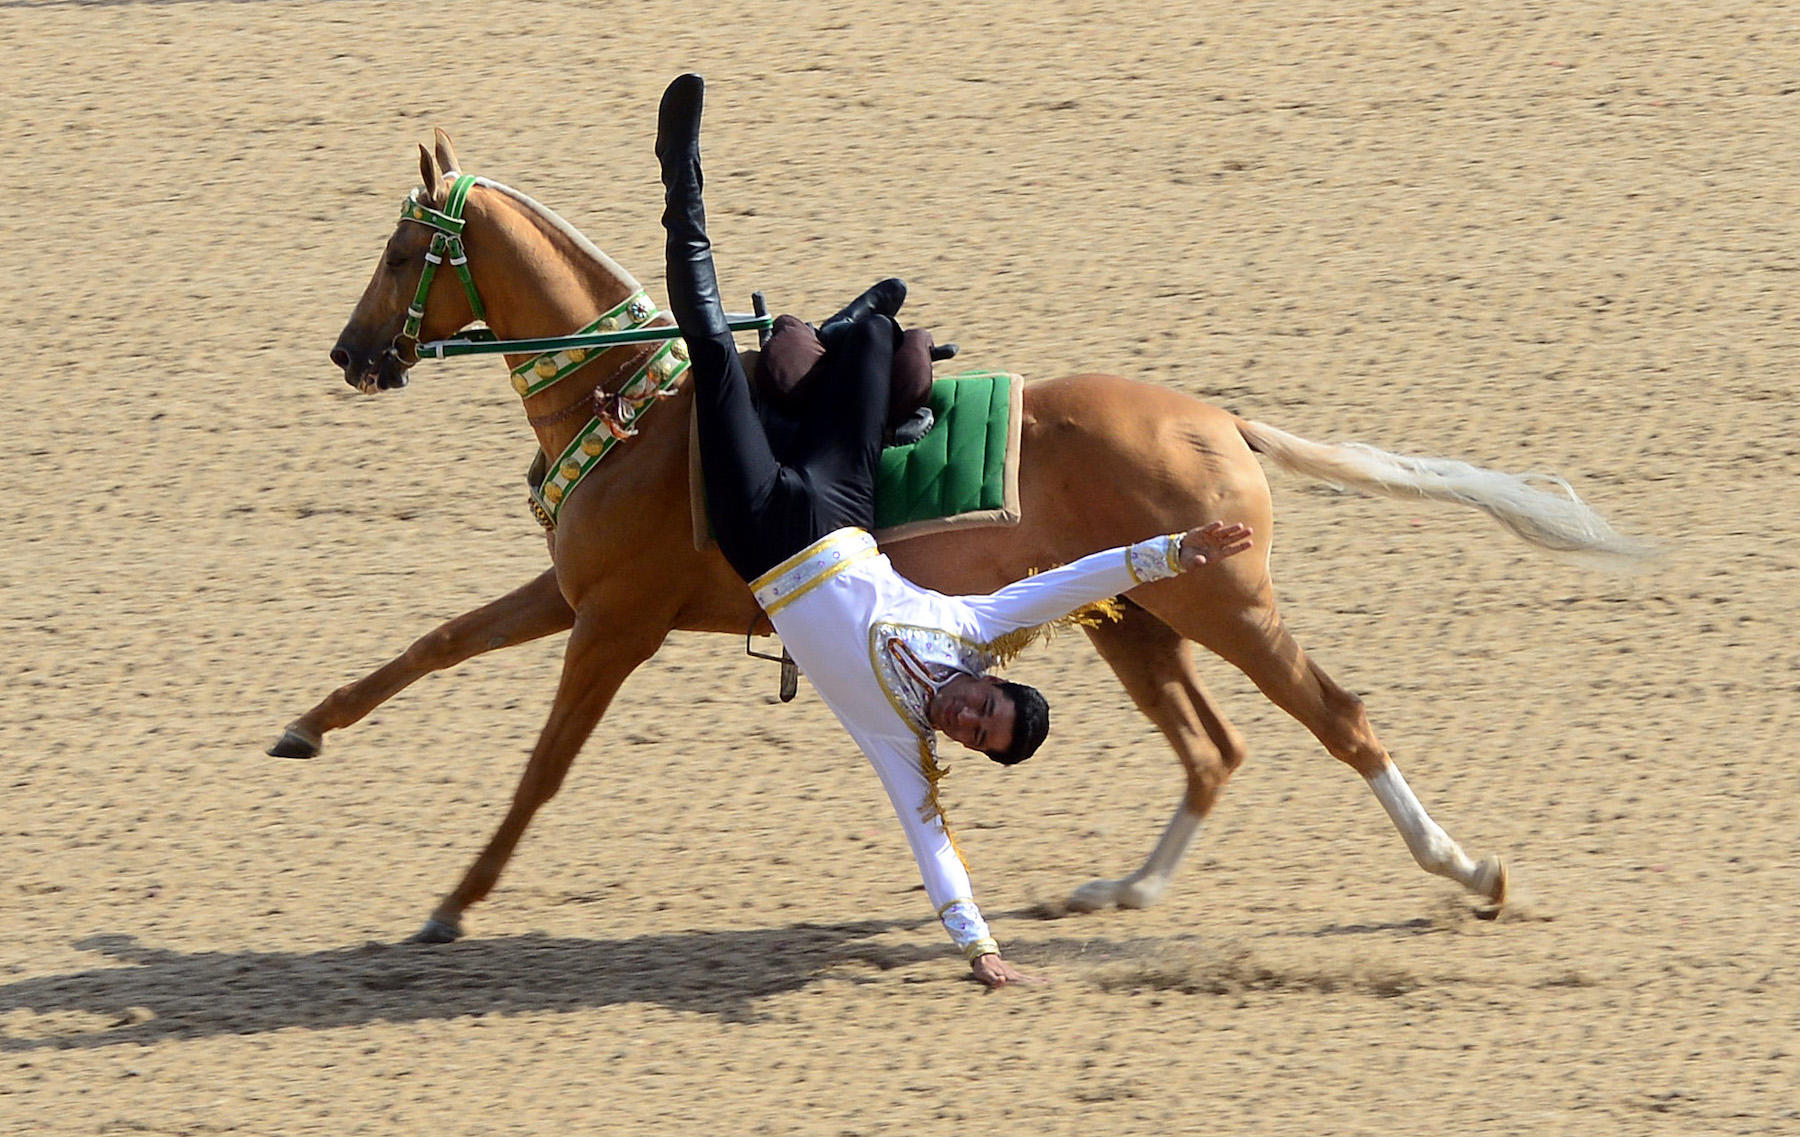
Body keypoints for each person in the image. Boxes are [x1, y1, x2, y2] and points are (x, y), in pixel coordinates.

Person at [657, 73, 1254, 987]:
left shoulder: (902, 745)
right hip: (840, 510)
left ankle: (681, 178)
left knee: (709, 354)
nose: (968, 719)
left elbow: (934, 848)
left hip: (763, 538)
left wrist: (981, 950)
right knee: (874, 341)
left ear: (966, 746)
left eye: (976, 734)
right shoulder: (974, 630)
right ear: (990, 683)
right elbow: (1087, 577)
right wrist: (1179, 550)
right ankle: (856, 331)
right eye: (988, 710)